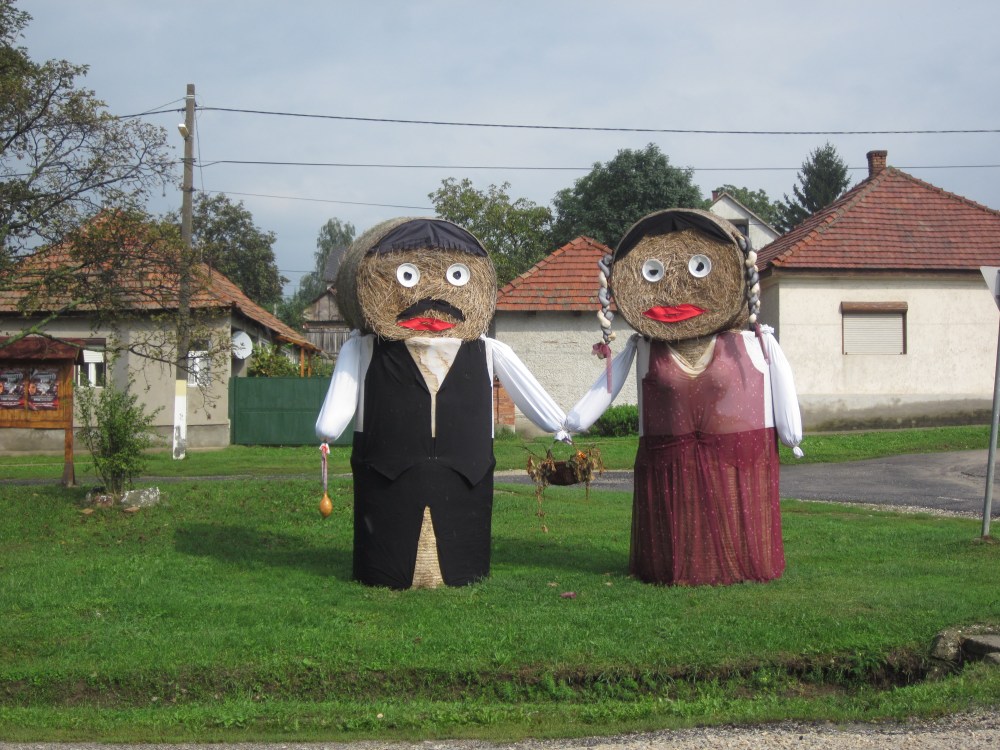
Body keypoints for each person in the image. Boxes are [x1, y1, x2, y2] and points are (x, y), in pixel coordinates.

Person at [316, 217, 567, 590]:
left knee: (462, 549)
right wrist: (327, 430)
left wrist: (559, 423)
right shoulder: (364, 349)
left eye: (455, 277)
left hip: (465, 476)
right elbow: (337, 406)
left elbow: (527, 389)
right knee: (389, 550)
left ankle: (461, 571)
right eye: (407, 277)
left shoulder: (487, 350)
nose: (432, 295)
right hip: (388, 476)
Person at [565, 209, 802, 586]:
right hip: (668, 454)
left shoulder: (755, 341)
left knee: (728, 516)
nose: (674, 288)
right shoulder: (643, 346)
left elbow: (780, 380)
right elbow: (607, 384)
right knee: (680, 519)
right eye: (653, 273)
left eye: (698, 268)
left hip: (737, 452)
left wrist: (791, 433)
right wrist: (573, 422)